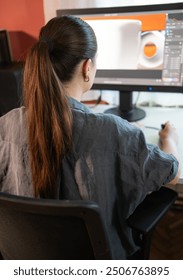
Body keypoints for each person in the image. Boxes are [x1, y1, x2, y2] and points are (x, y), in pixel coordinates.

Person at [0, 15, 180, 259]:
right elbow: (171, 174)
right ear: (87, 67)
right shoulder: (115, 132)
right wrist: (168, 139)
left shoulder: (7, 124)